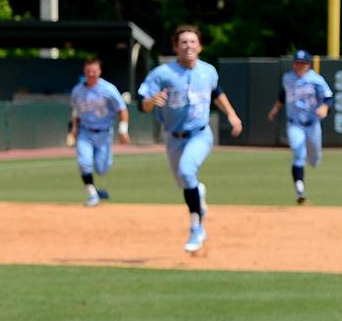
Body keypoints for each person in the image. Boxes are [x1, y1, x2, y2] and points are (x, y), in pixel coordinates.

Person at [138, 25, 243, 254]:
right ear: (175, 47)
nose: (189, 46)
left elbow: (217, 93)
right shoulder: (162, 74)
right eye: (183, 42)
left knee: (187, 172)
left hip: (200, 134)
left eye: (193, 42)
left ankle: (197, 228)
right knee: (183, 182)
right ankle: (199, 192)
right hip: (174, 137)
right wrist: (150, 102)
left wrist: (232, 115)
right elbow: (142, 103)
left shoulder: (208, 71)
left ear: (200, 46)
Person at [268, 49, 333, 204]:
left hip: (312, 124)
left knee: (314, 159)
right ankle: (299, 189)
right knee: (298, 150)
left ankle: (313, 160)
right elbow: (284, 95)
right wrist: (275, 109)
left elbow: (328, 97)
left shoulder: (316, 79)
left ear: (308, 64)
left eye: (303, 63)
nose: (299, 65)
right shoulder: (287, 78)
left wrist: (324, 107)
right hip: (294, 124)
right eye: (297, 62)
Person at [68, 58, 129, 207]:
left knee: (102, 169)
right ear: (84, 71)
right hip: (85, 132)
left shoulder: (108, 89)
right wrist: (73, 131)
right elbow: (76, 112)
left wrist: (123, 130)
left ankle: (97, 190)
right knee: (84, 163)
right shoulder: (77, 91)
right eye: (88, 71)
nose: (91, 74)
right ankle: (92, 194)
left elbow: (122, 109)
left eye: (94, 71)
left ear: (100, 71)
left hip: (104, 133)